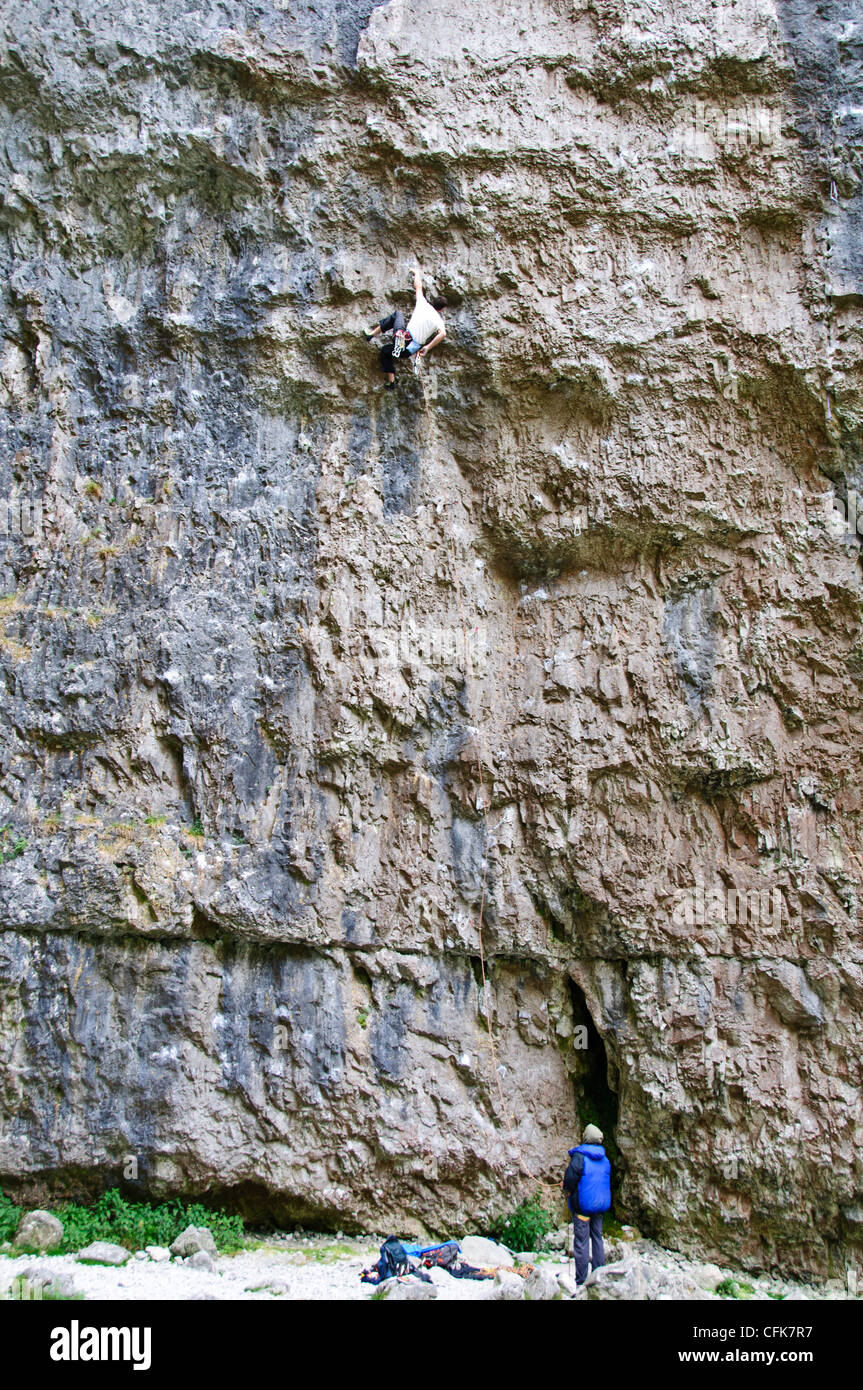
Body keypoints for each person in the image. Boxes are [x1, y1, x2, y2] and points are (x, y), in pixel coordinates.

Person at [364, 269, 447, 389]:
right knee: (385, 351)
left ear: (433, 302)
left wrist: (417, 273)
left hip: (404, 338)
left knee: (398, 314)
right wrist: (428, 347)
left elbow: (418, 286)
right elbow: (443, 334)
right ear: (441, 310)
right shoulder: (439, 321)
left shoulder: (423, 304)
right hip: (409, 350)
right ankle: (391, 382)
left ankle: (372, 334)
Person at [563, 1123, 612, 1286]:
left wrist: (566, 1189)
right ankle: (599, 1276)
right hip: (599, 1207)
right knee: (597, 1238)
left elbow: (570, 1179)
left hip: (583, 1207)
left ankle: (581, 1280)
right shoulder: (605, 1159)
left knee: (582, 1242)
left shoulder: (580, 1156)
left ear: (585, 1138)